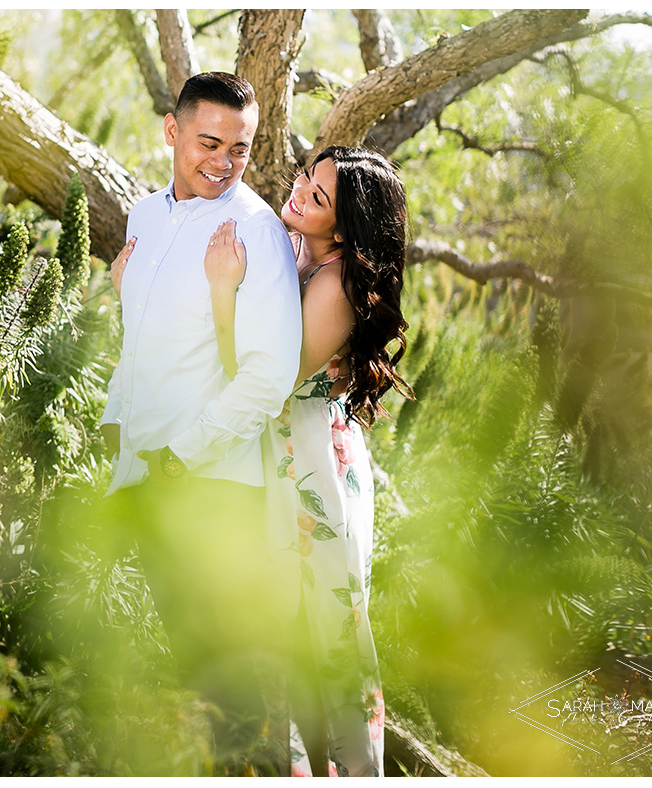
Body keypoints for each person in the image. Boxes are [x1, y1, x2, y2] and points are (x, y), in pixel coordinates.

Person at [112, 146, 412, 776]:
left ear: (345, 225)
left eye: (319, 196)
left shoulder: (335, 286)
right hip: (269, 451)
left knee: (320, 632)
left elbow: (262, 375)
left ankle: (340, 772)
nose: (300, 190)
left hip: (307, 470)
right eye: (306, 174)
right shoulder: (292, 243)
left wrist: (225, 291)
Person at [99, 71, 303, 771]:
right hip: (145, 477)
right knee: (186, 679)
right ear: (171, 130)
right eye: (209, 143)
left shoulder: (255, 229)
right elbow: (145, 344)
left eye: (239, 149)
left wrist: (182, 458)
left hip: (210, 484)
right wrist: (116, 427)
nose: (222, 162)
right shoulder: (143, 219)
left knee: (230, 686)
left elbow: (268, 375)